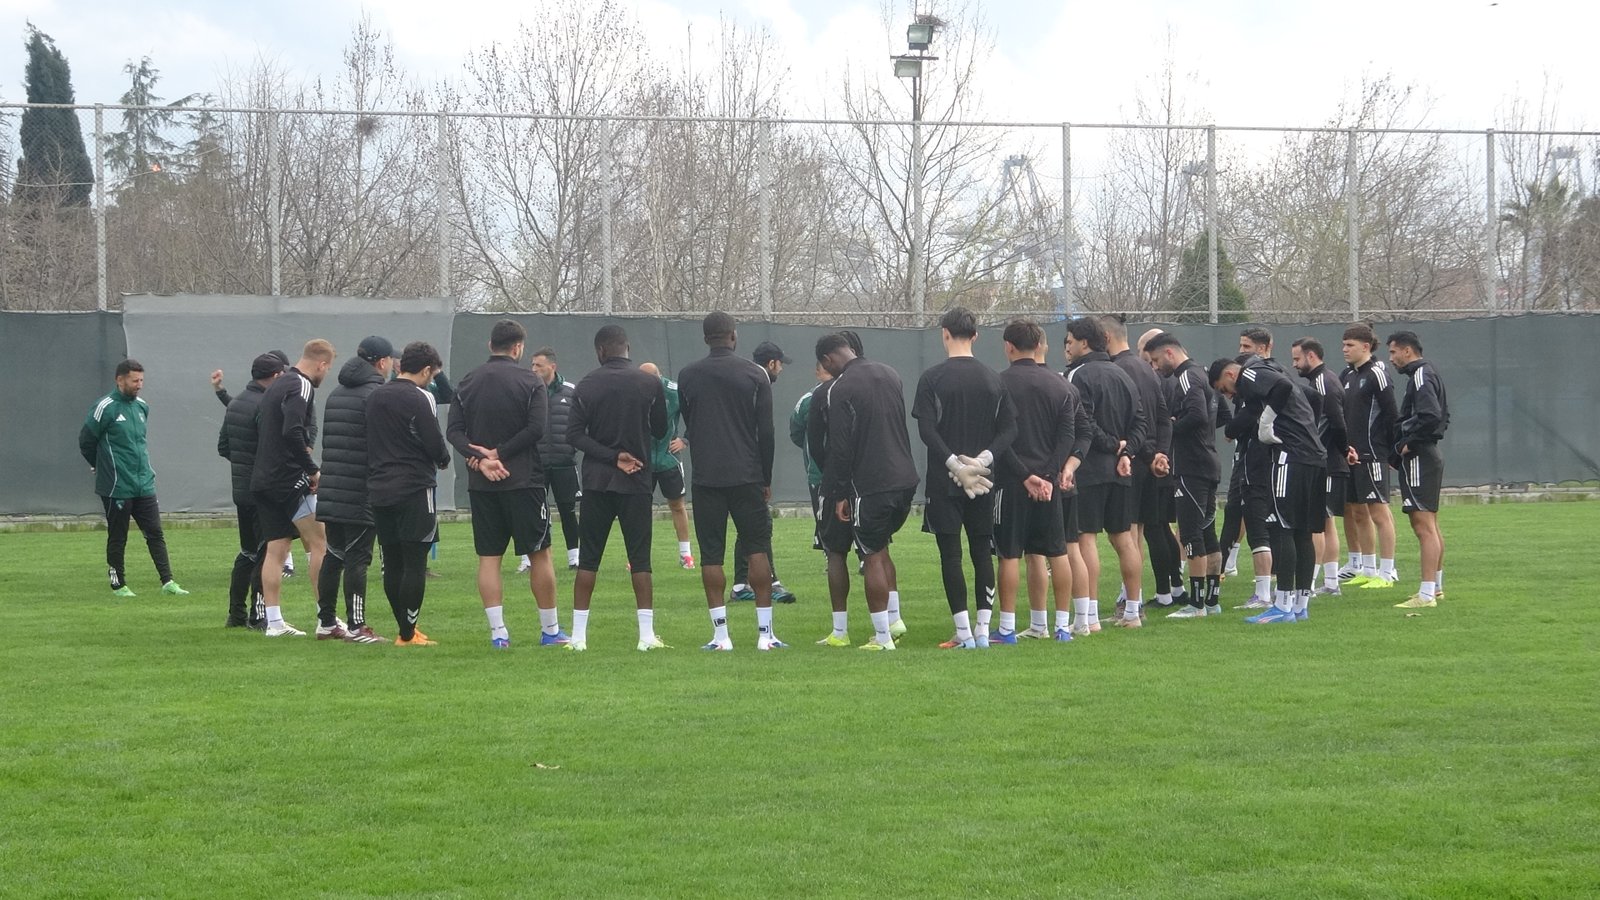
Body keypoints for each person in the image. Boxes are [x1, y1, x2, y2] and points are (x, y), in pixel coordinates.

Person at [449, 319, 570, 649]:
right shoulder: (531, 382)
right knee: (540, 554)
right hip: (524, 482)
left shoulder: (467, 381)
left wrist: (480, 456)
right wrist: (499, 454)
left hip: (482, 483)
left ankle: (498, 633)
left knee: (489, 558)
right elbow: (536, 430)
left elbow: (454, 432)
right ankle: (550, 631)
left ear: (491, 345)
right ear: (518, 348)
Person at [677, 312, 787, 651]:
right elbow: (766, 432)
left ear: (705, 338)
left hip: (707, 477)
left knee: (711, 555)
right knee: (757, 549)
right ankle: (765, 635)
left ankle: (721, 636)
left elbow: (691, 423)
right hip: (747, 475)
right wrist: (765, 477)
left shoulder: (688, 375)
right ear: (734, 336)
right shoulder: (755, 375)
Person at [912, 307, 1018, 649]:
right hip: (984, 480)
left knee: (951, 554)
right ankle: (983, 629)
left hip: (945, 480)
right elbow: (1009, 429)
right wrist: (983, 460)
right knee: (982, 551)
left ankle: (963, 633)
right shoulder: (993, 378)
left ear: (944, 334)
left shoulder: (932, 378)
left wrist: (955, 465)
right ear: (975, 336)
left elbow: (927, 430)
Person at [810, 332, 919, 651]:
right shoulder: (890, 373)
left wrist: (839, 492)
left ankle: (882, 638)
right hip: (905, 478)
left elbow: (840, 446)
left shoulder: (840, 387)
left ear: (828, 360)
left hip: (871, 484)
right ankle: (894, 620)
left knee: (869, 554)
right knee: (880, 547)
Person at [565, 325, 670, 652]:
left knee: (588, 559)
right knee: (640, 558)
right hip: (636, 479)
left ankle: (578, 638)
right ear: (627, 349)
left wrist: (611, 456)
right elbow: (661, 429)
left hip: (597, 481)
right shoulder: (649, 382)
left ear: (600, 351)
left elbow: (574, 435)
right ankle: (646, 636)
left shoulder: (586, 384)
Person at [1209, 354, 1327, 624]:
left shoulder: (1250, 373)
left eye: (1224, 389)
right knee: (1303, 532)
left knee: (1282, 527)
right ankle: (1300, 606)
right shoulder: (1274, 373)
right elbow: (1313, 396)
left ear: (1230, 375)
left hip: (1288, 457)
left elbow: (1281, 388)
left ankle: (1283, 606)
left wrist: (1267, 423)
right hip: (1314, 456)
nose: (1228, 396)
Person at [989, 319, 1083, 645]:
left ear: (1008, 347)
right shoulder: (1061, 385)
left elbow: (998, 438)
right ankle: (1059, 626)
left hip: (1011, 483)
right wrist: (1048, 476)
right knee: (1056, 551)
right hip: (1048, 485)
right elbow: (1067, 436)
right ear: (1039, 345)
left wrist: (1025, 475)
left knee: (1010, 554)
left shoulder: (998, 384)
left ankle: (1006, 628)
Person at [79, 359, 189, 598]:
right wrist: (98, 465)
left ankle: (168, 581)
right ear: (120, 380)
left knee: (155, 533)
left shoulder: (142, 407)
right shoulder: (105, 407)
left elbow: (137, 444)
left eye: (141, 380)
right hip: (117, 485)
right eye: (134, 380)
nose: (139, 385)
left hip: (144, 483)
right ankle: (118, 584)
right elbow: (86, 441)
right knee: (118, 536)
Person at [366, 342, 452, 646]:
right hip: (414, 487)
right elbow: (432, 438)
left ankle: (405, 628)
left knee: (392, 560)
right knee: (415, 562)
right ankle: (407, 633)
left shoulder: (375, 396)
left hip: (379, 487)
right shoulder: (421, 396)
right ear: (426, 370)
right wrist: (443, 459)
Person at [250, 339, 336, 637]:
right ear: (321, 364)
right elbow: (292, 430)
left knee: (276, 549)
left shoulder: (277, 384)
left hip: (263, 478)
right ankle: (326, 619)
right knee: (319, 543)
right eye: (328, 368)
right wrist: (311, 469)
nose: (325, 374)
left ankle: (274, 623)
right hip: (289, 480)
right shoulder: (301, 385)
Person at [311, 336, 395, 644]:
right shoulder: (376, 395)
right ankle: (357, 627)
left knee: (334, 555)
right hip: (361, 490)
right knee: (358, 559)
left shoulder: (336, 393)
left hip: (333, 487)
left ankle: (326, 622)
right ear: (382, 362)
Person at [1063, 317, 1143, 631]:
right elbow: (1140, 422)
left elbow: (1083, 423)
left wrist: (1113, 447)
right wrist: (1126, 452)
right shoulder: (1123, 373)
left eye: (1070, 341)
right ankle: (1133, 612)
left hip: (1089, 469)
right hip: (1121, 469)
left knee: (1085, 539)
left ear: (1084, 343)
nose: (1068, 347)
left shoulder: (1077, 374)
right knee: (1124, 538)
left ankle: (1091, 617)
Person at [1103, 314, 1178, 614]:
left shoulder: (1117, 370)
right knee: (1136, 532)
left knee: (1126, 534)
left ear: (1105, 338)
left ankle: (1131, 600)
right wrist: (1161, 454)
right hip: (1148, 463)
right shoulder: (1147, 369)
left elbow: (1137, 422)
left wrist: (1150, 455)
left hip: (1131, 460)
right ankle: (1132, 597)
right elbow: (1163, 418)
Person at [1144, 334, 1223, 618]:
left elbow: (1198, 415)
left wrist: (1169, 428)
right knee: (1208, 534)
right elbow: (1217, 415)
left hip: (1192, 467)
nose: (1155, 367)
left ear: (1169, 352)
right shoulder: (1202, 374)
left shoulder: (1187, 376)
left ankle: (1197, 604)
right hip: (1208, 462)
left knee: (1190, 535)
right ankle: (1212, 601)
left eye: (1155, 360)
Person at [217, 354, 284, 627]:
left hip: (241, 490)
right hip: (262, 491)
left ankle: (236, 614)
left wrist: (243, 466)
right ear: (276, 376)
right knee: (265, 552)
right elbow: (272, 449)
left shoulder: (236, 403)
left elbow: (223, 447)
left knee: (247, 552)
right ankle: (259, 615)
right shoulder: (265, 405)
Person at [729, 340, 798, 604]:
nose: (781, 369)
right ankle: (766, 582)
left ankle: (743, 584)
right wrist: (765, 477)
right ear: (771, 363)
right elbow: (764, 433)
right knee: (759, 525)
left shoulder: (740, 379)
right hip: (748, 467)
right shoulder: (759, 382)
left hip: (730, 464)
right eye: (780, 364)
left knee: (749, 525)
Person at [1386, 331, 1449, 609]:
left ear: (1407, 351)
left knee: (1423, 526)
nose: (1391, 359)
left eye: (1393, 352)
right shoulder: (1426, 373)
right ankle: (1436, 588)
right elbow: (1444, 416)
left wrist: (1407, 444)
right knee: (1430, 524)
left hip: (1420, 457)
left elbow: (1432, 416)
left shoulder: (1422, 374)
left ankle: (1425, 595)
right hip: (1427, 455)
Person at [1340, 323, 1402, 589]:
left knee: (1379, 511)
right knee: (1357, 512)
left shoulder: (1377, 373)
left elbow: (1391, 415)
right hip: (1351, 456)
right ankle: (1367, 569)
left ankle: (1388, 572)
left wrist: (1390, 451)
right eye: (1343, 345)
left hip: (1373, 454)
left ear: (1365, 347)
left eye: (1350, 345)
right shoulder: (1347, 375)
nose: (1344, 349)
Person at [1292, 337, 1349, 597]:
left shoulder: (1324, 382)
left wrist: (1343, 449)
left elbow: (1337, 422)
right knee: (1326, 522)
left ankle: (1311, 583)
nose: (1295, 364)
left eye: (1297, 359)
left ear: (1311, 356)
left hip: (1325, 462)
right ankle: (1331, 582)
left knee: (1316, 523)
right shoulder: (1321, 380)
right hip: (1327, 460)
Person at [526, 347, 582, 572]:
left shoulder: (571, 391)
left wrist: (571, 448)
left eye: (538, 365)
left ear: (552, 367)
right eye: (532, 365)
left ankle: (574, 558)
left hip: (564, 464)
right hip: (536, 464)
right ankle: (528, 560)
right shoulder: (528, 391)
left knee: (568, 512)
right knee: (533, 513)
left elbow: (582, 423)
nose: (534, 369)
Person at [637, 362, 695, 570]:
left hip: (669, 458)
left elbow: (695, 414)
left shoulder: (674, 391)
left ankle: (686, 555)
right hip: (642, 460)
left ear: (658, 377)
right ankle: (637, 556)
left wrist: (685, 440)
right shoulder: (634, 390)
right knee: (640, 509)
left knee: (677, 506)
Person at [789, 363, 833, 558]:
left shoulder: (849, 392)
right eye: (826, 370)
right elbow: (796, 432)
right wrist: (813, 448)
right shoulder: (808, 400)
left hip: (845, 471)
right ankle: (830, 556)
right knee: (823, 516)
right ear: (817, 373)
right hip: (818, 472)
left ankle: (862, 557)